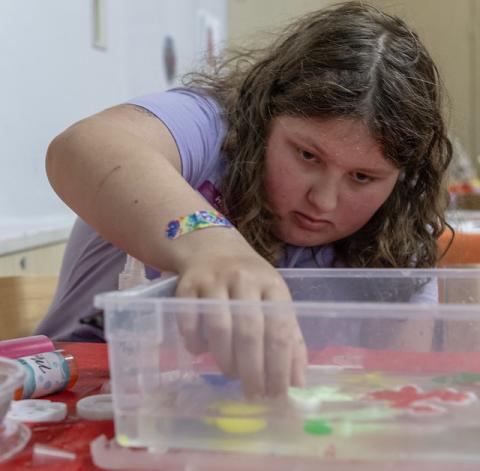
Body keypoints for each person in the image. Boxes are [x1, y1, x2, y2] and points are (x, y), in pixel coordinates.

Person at [35, 2, 453, 397]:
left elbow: (399, 391)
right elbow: (82, 147)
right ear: (264, 114)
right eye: (307, 155)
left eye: (363, 177)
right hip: (82, 397)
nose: (323, 201)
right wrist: (212, 246)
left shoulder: (401, 230)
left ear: (401, 178)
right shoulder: (210, 128)